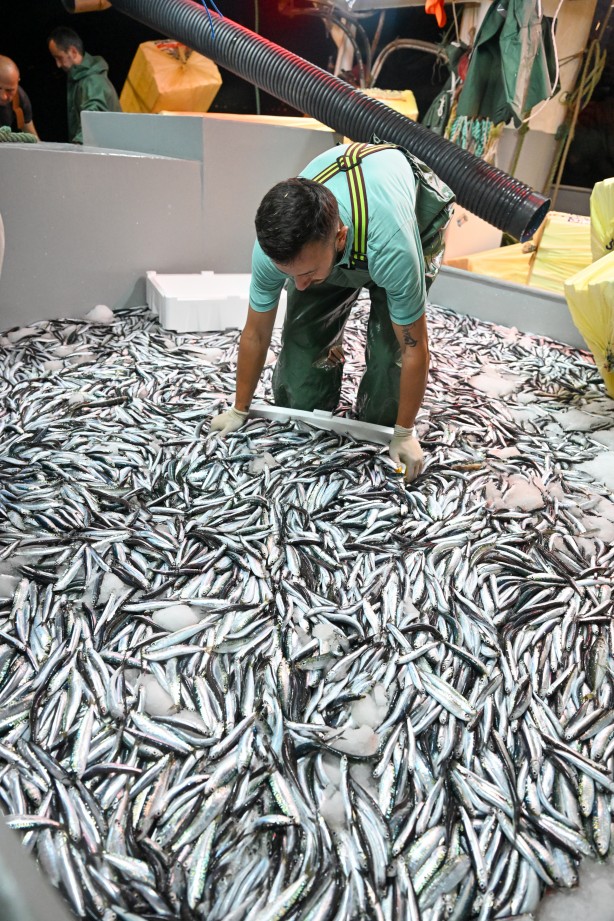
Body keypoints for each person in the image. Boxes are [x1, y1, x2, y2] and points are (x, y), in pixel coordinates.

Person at [210, 141, 454, 482]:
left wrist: (403, 432)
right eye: (290, 274)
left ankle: (385, 419)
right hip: (339, 241)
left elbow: (414, 347)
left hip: (403, 220)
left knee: (388, 365)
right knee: (300, 395)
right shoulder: (276, 250)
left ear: (340, 238)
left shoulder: (392, 247)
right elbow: (256, 332)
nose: (302, 286)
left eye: (307, 273)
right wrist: (239, 407)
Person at [48, 26, 121, 144]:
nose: (58, 64)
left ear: (73, 51)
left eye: (59, 58)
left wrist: (77, 146)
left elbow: (93, 115)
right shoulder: (79, 79)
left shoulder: (93, 81)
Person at [0, 55, 39, 139]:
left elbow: (32, 138)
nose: (3, 96)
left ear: (17, 82)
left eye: (9, 90)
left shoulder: (19, 98)